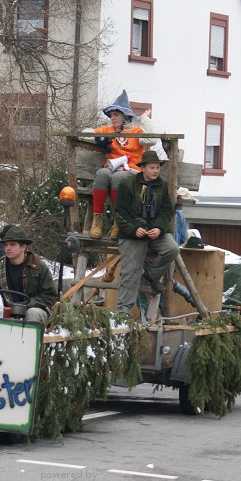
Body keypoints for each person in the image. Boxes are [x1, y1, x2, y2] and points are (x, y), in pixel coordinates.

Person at [114, 150, 179, 315]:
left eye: (157, 168)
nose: (156, 171)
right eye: (152, 168)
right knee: (131, 270)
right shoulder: (128, 185)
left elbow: (166, 210)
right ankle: (123, 312)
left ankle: (150, 275)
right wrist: (134, 229)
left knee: (171, 249)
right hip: (132, 233)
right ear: (143, 168)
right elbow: (120, 213)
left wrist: (159, 228)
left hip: (154, 231)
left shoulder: (162, 186)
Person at [88, 90, 151, 239]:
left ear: (125, 116)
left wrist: (144, 120)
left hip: (132, 171)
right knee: (102, 173)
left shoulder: (136, 131)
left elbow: (151, 140)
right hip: (111, 168)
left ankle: (119, 220)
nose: (112, 118)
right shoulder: (108, 130)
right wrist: (98, 138)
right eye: (111, 115)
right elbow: (84, 132)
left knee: (118, 177)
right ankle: (98, 220)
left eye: (116, 115)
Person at [0, 226, 57, 323]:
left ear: (23, 247)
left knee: (33, 313)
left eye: (12, 245)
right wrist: (2, 304)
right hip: (6, 309)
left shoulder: (38, 266)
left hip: (34, 310)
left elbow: (50, 296)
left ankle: (28, 338)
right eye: (6, 245)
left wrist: (26, 305)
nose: (8, 248)